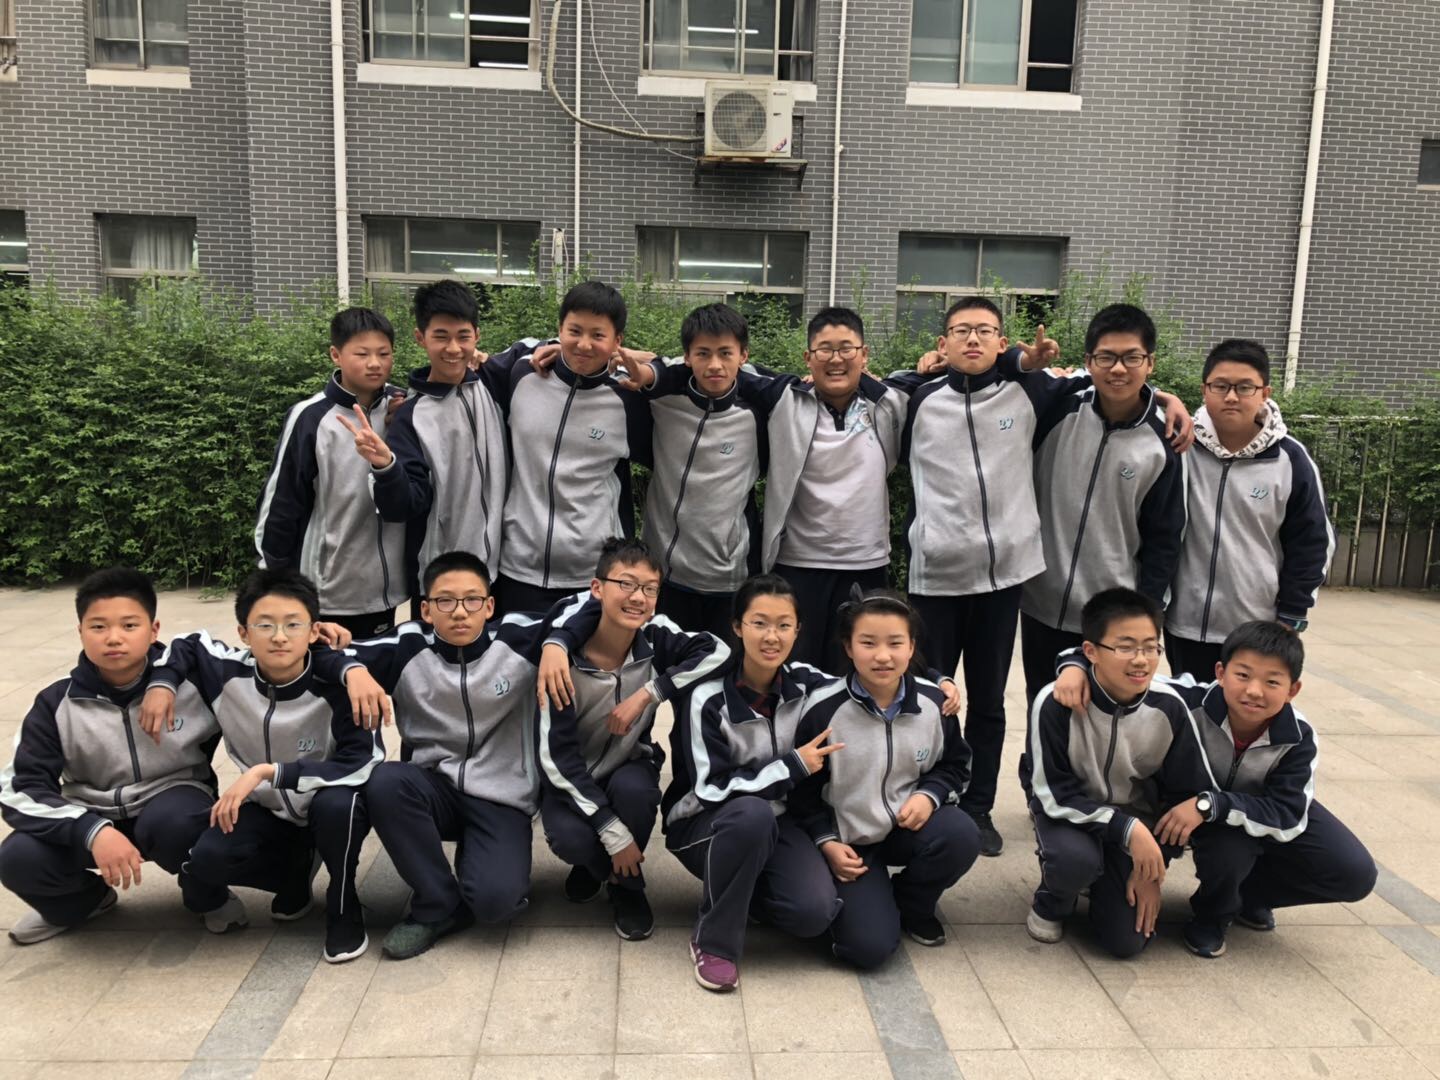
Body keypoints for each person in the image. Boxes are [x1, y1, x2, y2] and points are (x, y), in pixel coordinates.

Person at [904, 297, 1191, 857]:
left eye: (985, 330)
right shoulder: (917, 397)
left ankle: (986, 808)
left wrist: (1164, 399)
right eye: (961, 331)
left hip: (1010, 581)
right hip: (943, 577)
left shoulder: (1037, 395)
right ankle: (930, 798)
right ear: (942, 343)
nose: (972, 340)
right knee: (931, 696)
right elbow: (863, 384)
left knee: (993, 703)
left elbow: (1107, 383)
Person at [1053, 620, 1375, 958]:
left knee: (1353, 872)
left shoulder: (1298, 735)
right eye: (1243, 675)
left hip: (1246, 815)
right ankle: (1107, 880)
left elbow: (1288, 813)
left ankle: (1225, 910)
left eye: (1272, 682)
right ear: (1220, 672)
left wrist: (1210, 805)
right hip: (1169, 814)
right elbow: (1112, 665)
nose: (1254, 691)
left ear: (1292, 690)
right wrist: (1073, 667)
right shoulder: (1186, 700)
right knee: (1122, 938)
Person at [336, 551, 580, 960]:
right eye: (445, 601)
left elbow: (587, 605)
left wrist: (557, 642)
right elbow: (320, 653)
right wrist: (352, 670)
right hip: (435, 789)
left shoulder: (518, 637)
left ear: (490, 605)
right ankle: (436, 904)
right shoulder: (406, 644)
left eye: (472, 600)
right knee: (385, 781)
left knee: (496, 904)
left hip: (502, 796)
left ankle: (480, 859)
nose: (460, 612)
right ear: (426, 609)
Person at [138, 568, 384, 963]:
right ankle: (294, 873)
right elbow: (189, 642)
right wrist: (162, 683)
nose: (279, 636)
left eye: (293, 624)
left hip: (325, 804)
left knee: (340, 804)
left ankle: (343, 904)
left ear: (315, 631)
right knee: (208, 857)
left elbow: (362, 762)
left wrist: (269, 772)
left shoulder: (341, 684)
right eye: (265, 625)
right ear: (243, 633)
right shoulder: (228, 672)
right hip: (268, 809)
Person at [0, 568, 232, 943]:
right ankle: (84, 903)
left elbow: (229, 651)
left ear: (154, 630)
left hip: (173, 803)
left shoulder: (191, 686)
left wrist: (164, 680)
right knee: (18, 858)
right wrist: (89, 830)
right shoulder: (55, 703)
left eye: (129, 625)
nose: (113, 638)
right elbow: (21, 788)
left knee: (178, 825)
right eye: (98, 627)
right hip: (92, 812)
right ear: (80, 632)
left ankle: (207, 897)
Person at [535, 537, 731, 942]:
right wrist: (613, 833)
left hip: (628, 763)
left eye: (649, 588)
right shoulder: (562, 661)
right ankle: (602, 865)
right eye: (626, 584)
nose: (638, 597)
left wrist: (650, 693)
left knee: (637, 793)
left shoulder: (656, 636)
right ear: (597, 588)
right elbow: (556, 758)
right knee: (571, 839)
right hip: (571, 776)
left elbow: (719, 650)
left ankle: (627, 888)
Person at [661, 574, 843, 992]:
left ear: (798, 630)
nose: (771, 636)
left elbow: (867, 682)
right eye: (759, 623)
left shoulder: (807, 682)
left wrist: (937, 682)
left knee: (812, 914)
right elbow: (710, 789)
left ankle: (742, 890)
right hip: (704, 823)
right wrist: (791, 766)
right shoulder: (707, 697)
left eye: (783, 625)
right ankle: (714, 942)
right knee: (752, 815)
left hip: (777, 821)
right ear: (737, 626)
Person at [788, 590, 978, 970]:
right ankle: (867, 903)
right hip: (849, 843)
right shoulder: (823, 710)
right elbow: (801, 794)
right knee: (868, 949)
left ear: (912, 647)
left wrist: (929, 795)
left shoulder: (934, 704)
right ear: (848, 647)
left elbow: (956, 765)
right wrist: (826, 841)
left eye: (895, 643)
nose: (883, 656)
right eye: (868, 643)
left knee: (961, 834)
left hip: (905, 829)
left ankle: (912, 904)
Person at [1019, 303, 1186, 704]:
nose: (1118, 369)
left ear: (1150, 363)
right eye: (1106, 357)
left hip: (1112, 618)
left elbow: (1164, 538)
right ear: (1089, 361)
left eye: (1132, 358)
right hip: (1042, 602)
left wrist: (1145, 614)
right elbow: (992, 379)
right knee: (1044, 710)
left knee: (1105, 719)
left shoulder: (1162, 440)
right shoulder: (1058, 407)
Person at [1020, 587, 1190, 958]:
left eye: (1151, 647)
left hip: (1137, 824)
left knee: (1125, 944)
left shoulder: (1171, 708)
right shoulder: (1055, 703)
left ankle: (1106, 878)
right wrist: (1126, 829)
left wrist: (1154, 867)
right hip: (1071, 813)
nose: (1141, 660)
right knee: (1074, 860)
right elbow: (1053, 793)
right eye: (1125, 647)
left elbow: (1181, 795)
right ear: (1091, 651)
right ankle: (1053, 900)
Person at [1165, 339, 1335, 679]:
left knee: (1247, 710)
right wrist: (1164, 397)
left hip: (1255, 630)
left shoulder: (1290, 460)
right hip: (1184, 624)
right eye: (1220, 386)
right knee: (1191, 709)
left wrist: (1291, 616)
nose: (1231, 396)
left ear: (1265, 393)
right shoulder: (1181, 447)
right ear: (1204, 390)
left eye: (1244, 387)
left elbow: (1312, 543)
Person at [485, 281, 655, 615]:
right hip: (518, 566)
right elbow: (461, 368)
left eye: (598, 335)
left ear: (618, 341)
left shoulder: (627, 397)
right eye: (574, 331)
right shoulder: (523, 373)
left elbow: (691, 369)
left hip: (594, 575)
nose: (584, 344)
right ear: (559, 329)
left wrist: (644, 361)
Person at [341, 281, 508, 611]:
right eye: (441, 336)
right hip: (440, 580)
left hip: (501, 572)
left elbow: (551, 348)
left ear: (477, 335)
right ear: (421, 338)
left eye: (463, 336)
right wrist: (386, 467)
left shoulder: (495, 385)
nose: (453, 348)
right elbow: (404, 505)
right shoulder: (410, 415)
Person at [254, 306, 408, 639]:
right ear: (336, 355)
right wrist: (276, 583)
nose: (375, 363)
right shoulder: (310, 417)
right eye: (362, 354)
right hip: (327, 591)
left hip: (386, 589)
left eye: (384, 354)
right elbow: (281, 506)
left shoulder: (402, 407)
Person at [631, 302, 769, 639]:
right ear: (687, 357)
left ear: (744, 356)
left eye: (725, 353)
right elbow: (601, 360)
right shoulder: (662, 400)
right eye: (703, 354)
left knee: (723, 668)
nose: (715, 365)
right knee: (664, 666)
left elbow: (807, 389)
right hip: (663, 576)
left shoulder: (761, 412)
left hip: (729, 580)